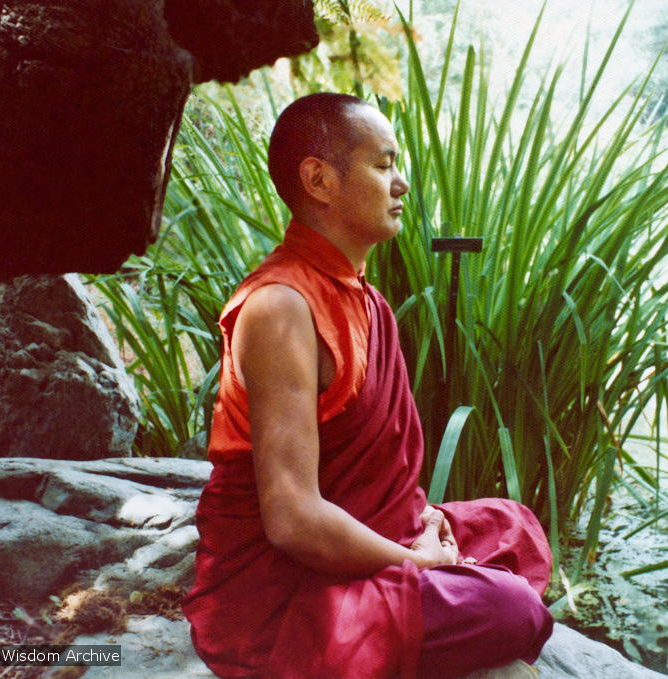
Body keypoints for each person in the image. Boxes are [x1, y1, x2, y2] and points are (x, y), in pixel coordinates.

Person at [182, 93, 554, 679]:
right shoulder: (279, 307)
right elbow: (291, 519)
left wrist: (426, 521)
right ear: (319, 179)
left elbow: (375, 479)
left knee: (515, 525)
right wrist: (417, 563)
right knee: (511, 608)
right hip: (283, 593)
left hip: (367, 539)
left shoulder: (367, 301)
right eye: (383, 165)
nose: (401, 183)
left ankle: (428, 592)